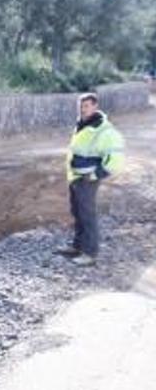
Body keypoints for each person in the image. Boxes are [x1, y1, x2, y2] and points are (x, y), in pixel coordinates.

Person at [54, 92, 125, 266]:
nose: (83, 109)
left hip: (88, 179)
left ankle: (90, 254)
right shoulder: (82, 124)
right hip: (76, 177)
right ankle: (78, 246)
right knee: (77, 212)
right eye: (81, 106)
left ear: (95, 106)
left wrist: (94, 175)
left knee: (87, 215)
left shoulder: (105, 130)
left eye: (86, 106)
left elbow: (115, 161)